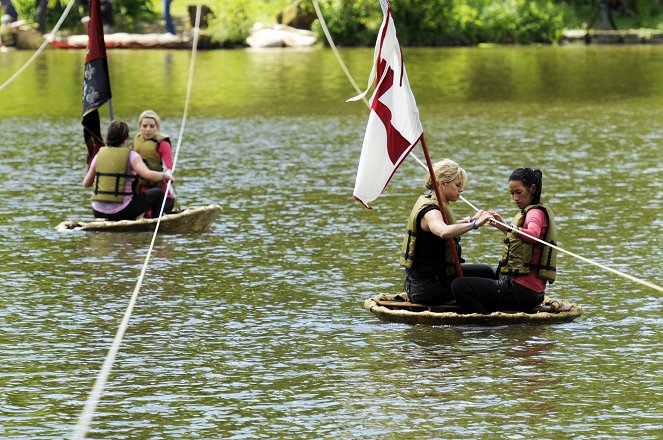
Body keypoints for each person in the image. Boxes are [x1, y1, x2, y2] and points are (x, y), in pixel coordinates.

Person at [451, 168, 558, 314]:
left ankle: (483, 323)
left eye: (518, 192)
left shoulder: (535, 213)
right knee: (484, 271)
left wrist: (508, 227)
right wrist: (501, 225)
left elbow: (533, 234)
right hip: (529, 291)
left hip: (523, 291)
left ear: (532, 189)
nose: (515, 198)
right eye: (512, 193)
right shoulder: (530, 211)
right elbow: (521, 239)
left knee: (460, 285)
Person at [400, 159, 495, 305]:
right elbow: (443, 231)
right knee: (477, 287)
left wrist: (470, 220)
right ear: (443, 184)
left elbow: (448, 225)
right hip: (427, 288)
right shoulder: (431, 211)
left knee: (487, 272)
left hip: (440, 277)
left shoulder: (434, 203)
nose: (461, 190)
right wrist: (475, 225)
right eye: (458, 185)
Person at [83, 119, 174, 221]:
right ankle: (156, 223)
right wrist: (165, 176)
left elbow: (86, 183)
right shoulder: (132, 155)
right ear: (125, 138)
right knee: (159, 193)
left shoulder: (98, 155)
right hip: (122, 211)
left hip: (98, 211)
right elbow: (147, 174)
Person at [132, 110, 176, 215]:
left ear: (157, 128)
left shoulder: (163, 144)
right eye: (145, 126)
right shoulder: (136, 141)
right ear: (139, 127)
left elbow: (168, 167)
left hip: (160, 187)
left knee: (154, 213)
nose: (148, 130)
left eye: (152, 126)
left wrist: (168, 174)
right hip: (141, 186)